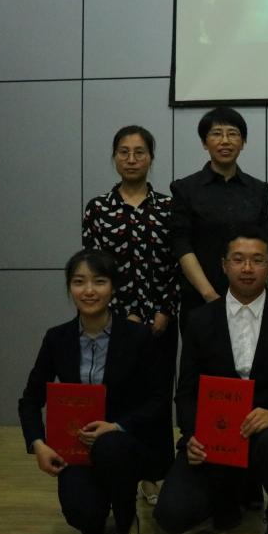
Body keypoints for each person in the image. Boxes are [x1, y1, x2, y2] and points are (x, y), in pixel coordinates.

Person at [152, 226, 268, 534]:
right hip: (214, 438)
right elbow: (186, 392)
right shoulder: (199, 320)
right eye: (238, 259)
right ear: (224, 265)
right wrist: (192, 434)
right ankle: (229, 495)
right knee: (171, 516)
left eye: (257, 260)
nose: (247, 268)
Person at [17, 250, 173, 534]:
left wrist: (116, 426)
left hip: (129, 443)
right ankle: (100, 503)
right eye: (79, 282)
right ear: (69, 288)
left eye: (99, 281)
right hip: (77, 447)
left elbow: (158, 400)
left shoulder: (138, 337)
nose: (89, 291)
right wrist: (38, 444)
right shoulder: (57, 339)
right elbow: (30, 400)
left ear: (113, 287)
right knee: (86, 521)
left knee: (111, 445)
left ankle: (126, 519)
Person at [82, 125, 179, 505]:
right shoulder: (98, 209)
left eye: (140, 152)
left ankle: (155, 474)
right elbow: (94, 268)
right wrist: (124, 316)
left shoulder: (169, 208)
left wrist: (163, 311)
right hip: (115, 325)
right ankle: (119, 469)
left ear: (151, 158)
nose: (132, 159)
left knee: (158, 399)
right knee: (121, 398)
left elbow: (177, 265)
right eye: (124, 152)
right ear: (114, 157)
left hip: (161, 325)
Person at [170, 106, 268, 324]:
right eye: (216, 134)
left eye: (233, 134)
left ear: (243, 142)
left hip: (251, 300)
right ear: (204, 142)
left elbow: (267, 243)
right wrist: (210, 296)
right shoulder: (185, 189)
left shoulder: (259, 190)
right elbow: (181, 244)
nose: (225, 141)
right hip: (200, 300)